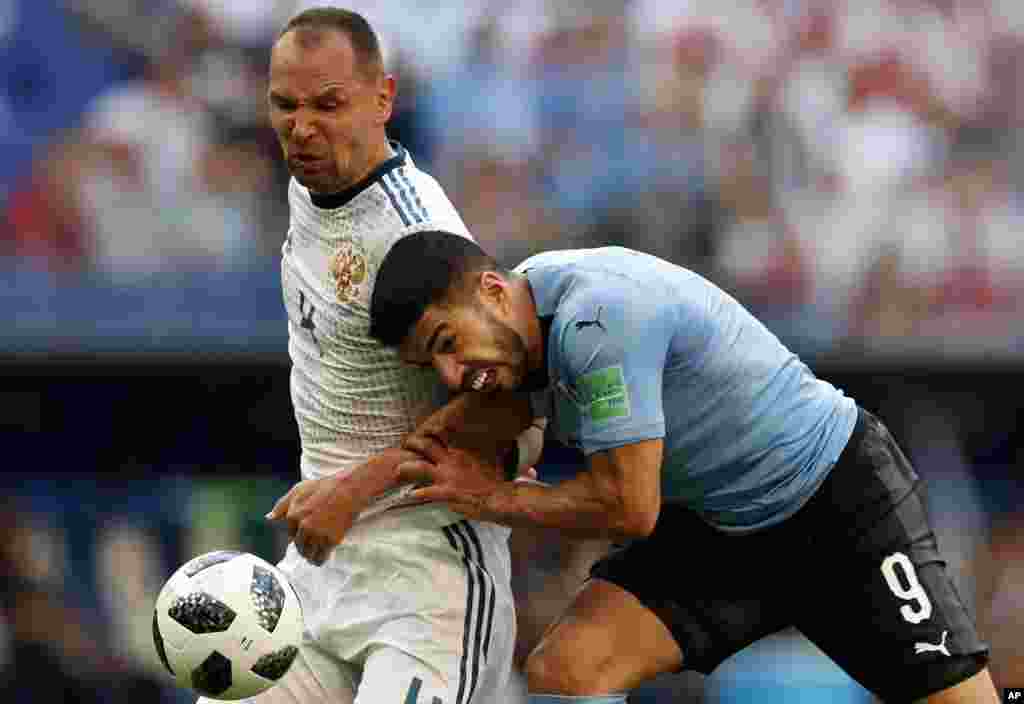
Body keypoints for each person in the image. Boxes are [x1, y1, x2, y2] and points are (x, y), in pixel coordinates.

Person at [362, 230, 1000, 703]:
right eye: (432, 365)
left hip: (839, 503)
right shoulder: (524, 312)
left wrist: (492, 498)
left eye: (448, 344)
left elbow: (630, 509)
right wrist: (342, 492)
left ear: (493, 292)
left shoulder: (597, 319)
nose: (451, 377)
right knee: (568, 671)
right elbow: (480, 424)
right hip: (717, 529)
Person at [223, 9, 541, 704]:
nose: (302, 127)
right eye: (285, 105)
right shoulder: (312, 182)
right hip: (322, 570)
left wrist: (358, 488)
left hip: (430, 581)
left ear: (383, 99)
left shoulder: (414, 230)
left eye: (328, 104)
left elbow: (515, 401)